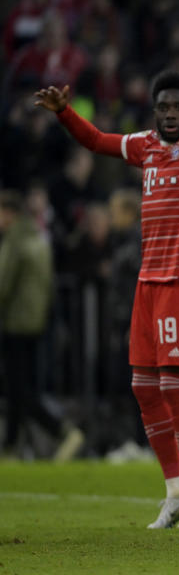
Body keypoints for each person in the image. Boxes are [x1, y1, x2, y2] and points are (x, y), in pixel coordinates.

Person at [35, 73, 179, 529]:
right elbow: (96, 140)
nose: (171, 114)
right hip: (149, 279)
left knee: (175, 386)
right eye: (164, 107)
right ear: (155, 111)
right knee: (143, 386)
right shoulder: (145, 145)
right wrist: (64, 112)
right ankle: (175, 489)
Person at [0, 190, 83, 461]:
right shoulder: (37, 236)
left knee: (20, 390)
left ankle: (61, 430)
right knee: (19, 389)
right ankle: (13, 444)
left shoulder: (15, 240)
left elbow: (3, 283)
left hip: (16, 322)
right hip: (35, 322)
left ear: (8, 212)